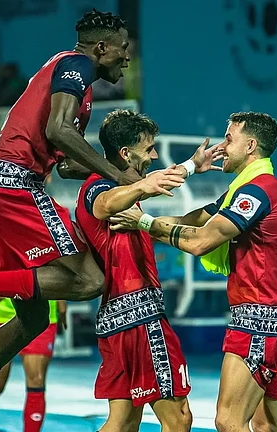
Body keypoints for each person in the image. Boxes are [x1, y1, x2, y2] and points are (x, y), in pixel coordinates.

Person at [0, 9, 155, 431]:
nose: (127, 58)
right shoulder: (75, 65)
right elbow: (60, 131)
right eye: (123, 49)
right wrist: (120, 175)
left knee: (32, 320)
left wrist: (127, 175)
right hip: (15, 185)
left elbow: (65, 164)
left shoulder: (72, 79)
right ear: (102, 47)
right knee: (88, 280)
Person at [109, 112, 277, 432]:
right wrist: (149, 222)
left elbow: (202, 242)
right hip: (275, 313)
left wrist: (142, 223)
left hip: (259, 316)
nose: (222, 147)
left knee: (229, 421)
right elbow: (195, 219)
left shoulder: (255, 191)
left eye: (229, 139)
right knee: (269, 426)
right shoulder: (254, 186)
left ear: (250, 146)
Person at [75, 109, 222, 430]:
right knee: (179, 419)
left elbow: (140, 192)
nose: (154, 155)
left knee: (123, 423)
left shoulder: (119, 188)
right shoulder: (99, 187)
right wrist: (144, 187)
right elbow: (104, 205)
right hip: (140, 319)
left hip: (116, 320)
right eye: (148, 148)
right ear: (125, 153)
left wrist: (192, 166)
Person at [0, 229, 65, 432]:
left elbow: (60, 259)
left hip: (40, 308)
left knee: (36, 379)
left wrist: (61, 302)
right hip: (1, 313)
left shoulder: (45, 217)